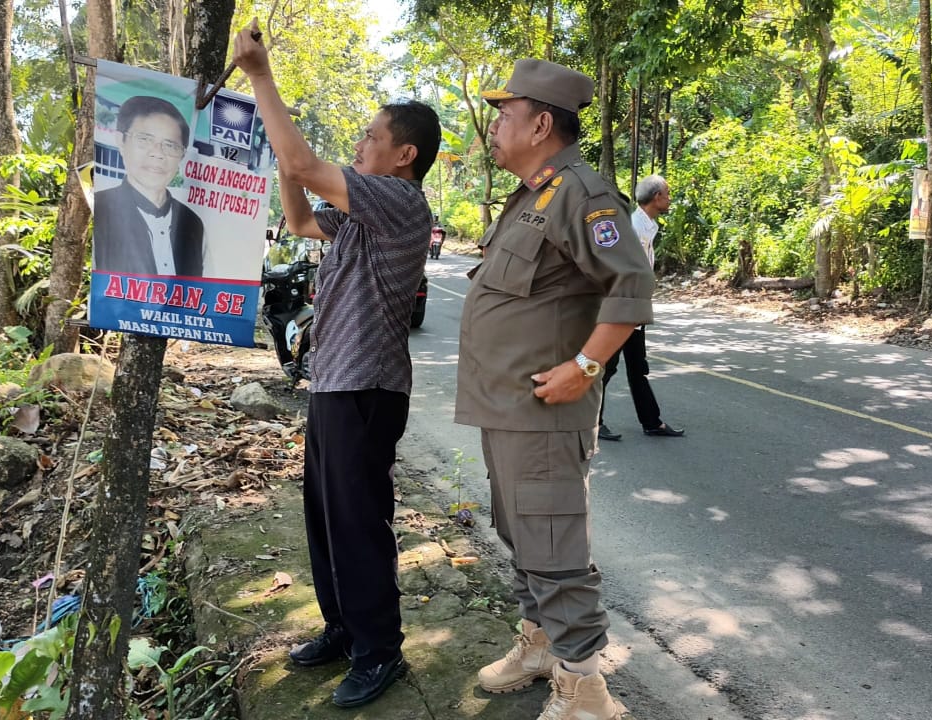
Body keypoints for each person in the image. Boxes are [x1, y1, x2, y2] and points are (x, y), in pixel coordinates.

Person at [233, 20, 441, 707]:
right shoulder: (358, 213)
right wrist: (277, 157)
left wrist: (262, 77)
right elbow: (296, 219)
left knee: (358, 521)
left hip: (369, 388)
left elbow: (304, 166)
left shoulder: (400, 202)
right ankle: (343, 628)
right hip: (335, 381)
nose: (359, 145)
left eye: (371, 138)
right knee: (324, 514)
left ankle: (381, 649)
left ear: (404, 155)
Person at [455, 59, 654, 720]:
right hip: (509, 411)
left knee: (553, 544)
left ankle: (585, 690)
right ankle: (540, 643)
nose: (495, 125)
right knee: (523, 537)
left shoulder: (581, 193)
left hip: (544, 416)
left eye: (504, 113)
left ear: (540, 123)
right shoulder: (532, 194)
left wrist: (587, 366)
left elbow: (631, 287)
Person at [598, 175, 684, 441]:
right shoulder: (632, 226)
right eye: (667, 194)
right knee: (606, 367)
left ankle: (651, 422)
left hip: (634, 309)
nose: (669, 199)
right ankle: (591, 421)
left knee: (637, 366)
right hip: (621, 309)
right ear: (657, 197)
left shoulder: (646, 226)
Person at [93, 95, 205, 277]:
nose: (158, 154)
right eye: (144, 139)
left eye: (170, 145)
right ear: (121, 141)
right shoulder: (99, 209)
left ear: (181, 156)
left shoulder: (193, 223)